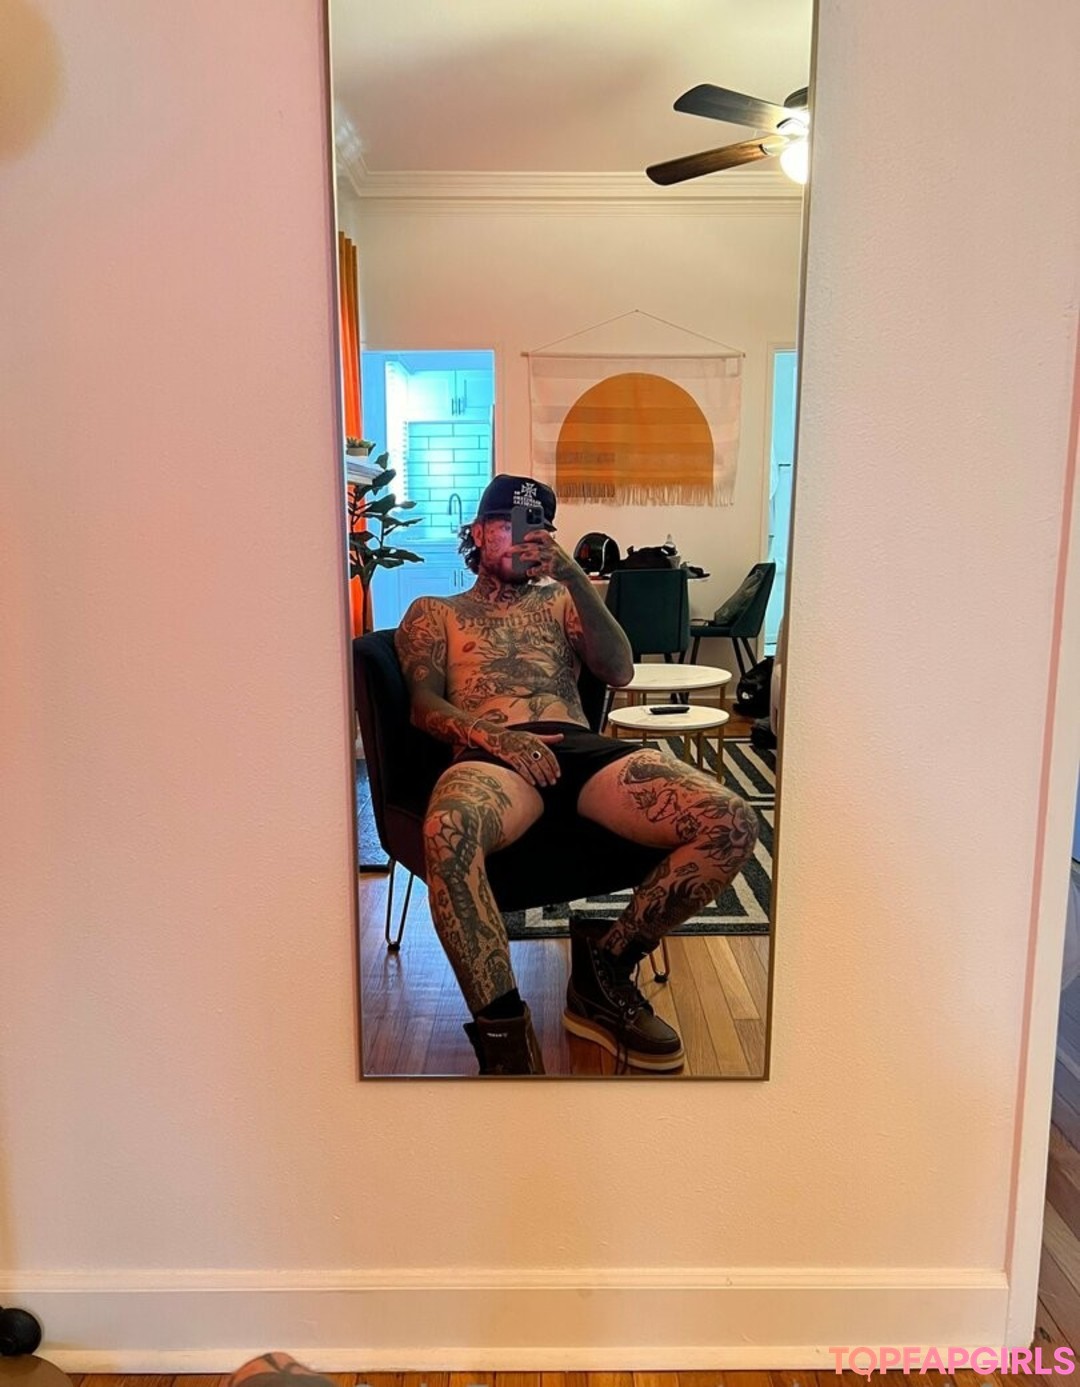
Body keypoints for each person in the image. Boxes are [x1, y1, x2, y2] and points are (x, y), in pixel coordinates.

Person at [395, 475, 760, 1075]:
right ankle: (506, 1041)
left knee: (731, 821)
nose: (522, 538)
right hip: (492, 754)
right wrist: (496, 736)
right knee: (447, 832)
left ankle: (605, 969)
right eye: (506, 525)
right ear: (477, 532)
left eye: (536, 528)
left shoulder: (561, 601)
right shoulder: (436, 612)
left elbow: (618, 671)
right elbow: (424, 705)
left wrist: (574, 578)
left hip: (582, 749)